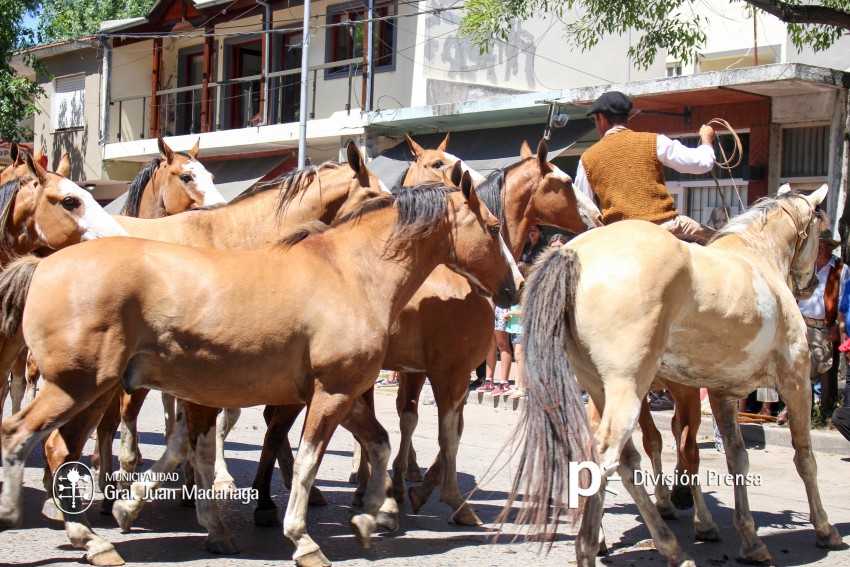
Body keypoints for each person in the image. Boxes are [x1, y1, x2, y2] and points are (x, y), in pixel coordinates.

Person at [574, 91, 717, 239]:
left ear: (602, 118)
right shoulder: (654, 141)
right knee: (722, 242)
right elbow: (703, 164)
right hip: (664, 227)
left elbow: (584, 208)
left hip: (619, 236)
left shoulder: (587, 158)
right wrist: (706, 139)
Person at [779, 229, 848, 423]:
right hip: (803, 324)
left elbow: (842, 300)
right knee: (801, 368)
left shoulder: (840, 270)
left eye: (823, 246)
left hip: (825, 327)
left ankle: (826, 412)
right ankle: (799, 411)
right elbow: (794, 292)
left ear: (829, 249)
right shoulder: (806, 268)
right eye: (817, 246)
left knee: (826, 370)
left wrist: (836, 326)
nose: (818, 250)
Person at [503, 263, 531, 399]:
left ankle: (523, 386)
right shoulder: (516, 290)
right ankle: (517, 385)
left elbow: (526, 310)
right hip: (515, 327)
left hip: (522, 327)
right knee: (517, 356)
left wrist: (510, 314)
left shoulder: (525, 290)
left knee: (520, 355)